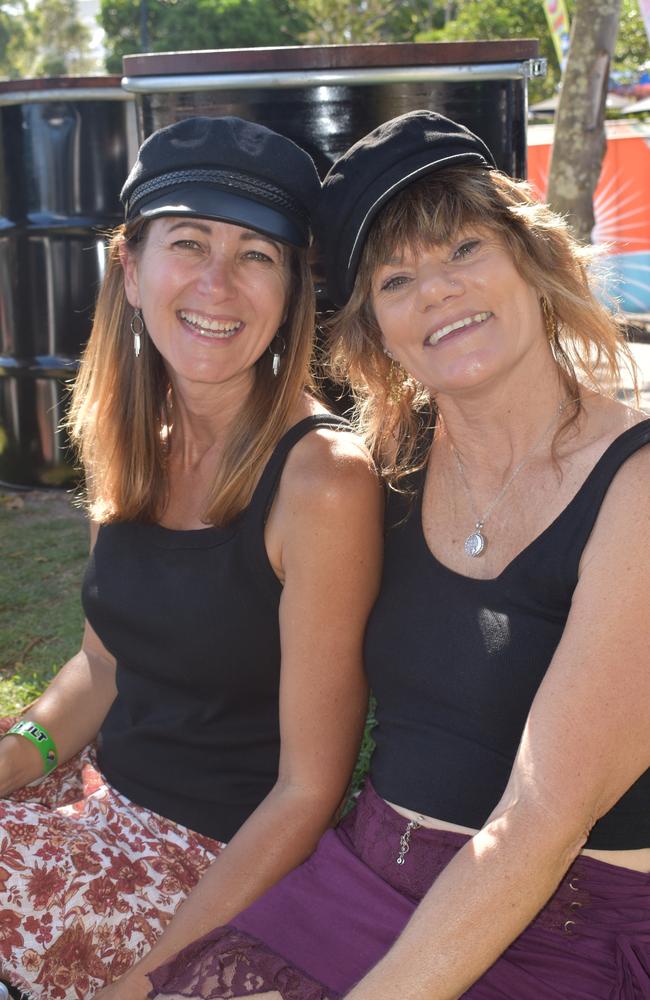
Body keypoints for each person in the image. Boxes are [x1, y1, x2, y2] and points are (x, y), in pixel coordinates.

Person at [146, 111, 650, 1000]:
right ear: (374, 331)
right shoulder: (390, 466)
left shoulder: (635, 485)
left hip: (560, 916)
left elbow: (543, 820)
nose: (438, 293)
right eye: (396, 279)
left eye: (464, 250)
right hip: (362, 875)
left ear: (532, 262)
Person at [0, 116, 382, 1000]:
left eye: (257, 254)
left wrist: (150, 976)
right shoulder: (126, 440)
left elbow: (305, 788)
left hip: (217, 867)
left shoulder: (324, 481)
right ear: (130, 270)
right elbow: (103, 664)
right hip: (93, 809)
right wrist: (19, 753)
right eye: (189, 241)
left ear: (291, 292)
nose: (219, 281)